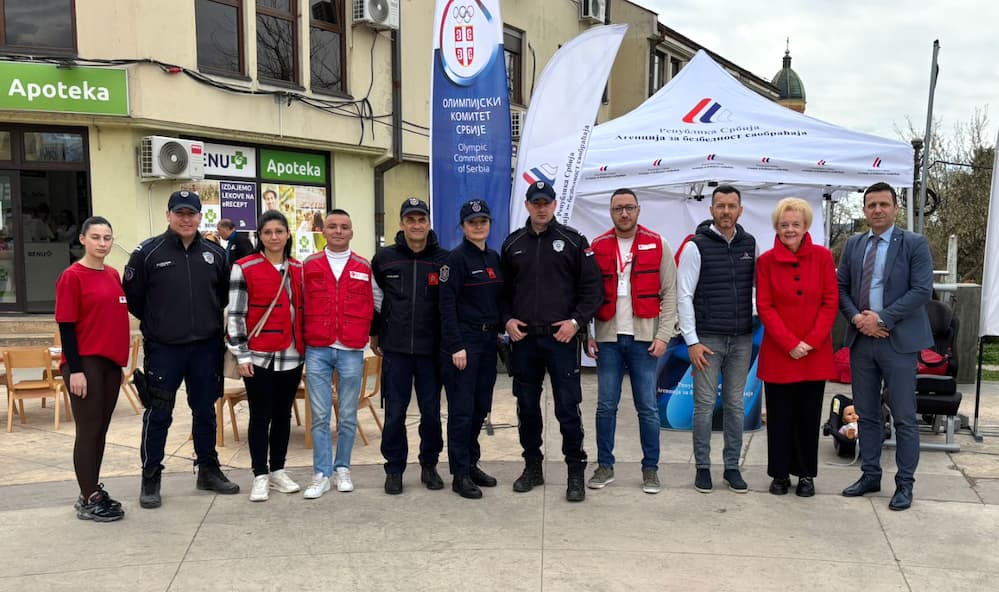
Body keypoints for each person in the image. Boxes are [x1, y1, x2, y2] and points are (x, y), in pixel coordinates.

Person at [123, 190, 239, 509]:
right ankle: (151, 476)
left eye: (191, 214)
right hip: (165, 349)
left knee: (205, 412)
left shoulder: (216, 254)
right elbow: (134, 299)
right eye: (180, 213)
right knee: (159, 413)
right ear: (168, 215)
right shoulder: (147, 253)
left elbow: (224, 296)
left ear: (200, 217)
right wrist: (161, 322)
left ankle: (208, 470)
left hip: (205, 349)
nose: (186, 219)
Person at [501, 181, 602, 502]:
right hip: (524, 341)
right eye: (536, 203)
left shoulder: (573, 241)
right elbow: (500, 292)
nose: (541, 208)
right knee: (527, 407)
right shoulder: (512, 244)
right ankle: (532, 467)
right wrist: (507, 320)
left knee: (567, 408)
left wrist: (576, 323)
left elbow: (593, 289)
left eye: (546, 203)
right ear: (528, 206)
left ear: (555, 205)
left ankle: (575, 472)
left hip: (561, 340)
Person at [837, 181, 933, 511]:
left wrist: (881, 319)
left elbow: (921, 290)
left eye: (884, 204)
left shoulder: (914, 244)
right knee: (866, 414)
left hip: (899, 342)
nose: (877, 210)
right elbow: (841, 287)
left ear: (895, 208)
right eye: (871, 205)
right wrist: (858, 319)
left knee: (904, 416)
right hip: (862, 340)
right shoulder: (853, 244)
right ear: (864, 210)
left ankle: (904, 484)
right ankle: (870, 475)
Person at [585, 188, 677, 494]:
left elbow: (670, 292)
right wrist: (588, 334)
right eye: (618, 209)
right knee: (605, 407)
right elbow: (586, 294)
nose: (624, 213)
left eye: (629, 208)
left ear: (638, 210)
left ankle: (651, 469)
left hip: (644, 340)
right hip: (608, 339)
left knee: (647, 408)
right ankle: (605, 465)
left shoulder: (658, 243)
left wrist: (664, 335)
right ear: (610, 212)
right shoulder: (597, 246)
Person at [756, 198, 838, 497]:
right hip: (780, 353)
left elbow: (830, 302)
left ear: (806, 227)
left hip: (814, 354)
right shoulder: (765, 261)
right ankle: (779, 474)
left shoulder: (823, 257)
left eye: (795, 224)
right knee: (779, 418)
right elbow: (765, 306)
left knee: (808, 417)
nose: (789, 229)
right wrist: (790, 343)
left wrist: (810, 342)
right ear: (776, 227)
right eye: (784, 224)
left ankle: (805, 474)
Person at [677, 184, 756, 494]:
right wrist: (692, 341)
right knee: (705, 406)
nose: (726, 211)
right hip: (707, 340)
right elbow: (684, 296)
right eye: (720, 206)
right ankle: (703, 467)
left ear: (740, 210)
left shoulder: (750, 244)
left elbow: (754, 289)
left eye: (731, 206)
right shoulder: (696, 246)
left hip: (741, 339)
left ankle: (732, 467)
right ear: (711, 210)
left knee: (735, 406)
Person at [55, 216, 131, 522]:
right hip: (84, 363)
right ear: (83, 239)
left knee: (101, 429)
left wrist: (118, 365)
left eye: (107, 238)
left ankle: (92, 488)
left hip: (110, 364)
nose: (102, 243)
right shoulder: (72, 276)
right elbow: (66, 325)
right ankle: (89, 497)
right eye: (96, 237)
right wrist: (75, 369)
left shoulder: (112, 274)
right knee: (88, 430)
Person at [370, 198, 448, 494]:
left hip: (431, 352)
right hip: (396, 350)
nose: (416, 225)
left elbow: (449, 304)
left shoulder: (443, 260)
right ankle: (394, 469)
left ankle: (429, 465)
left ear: (429, 223)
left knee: (431, 413)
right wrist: (375, 334)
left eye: (421, 219)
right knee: (395, 414)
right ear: (402, 224)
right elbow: (376, 301)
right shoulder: (384, 258)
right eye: (410, 219)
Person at [227, 210, 305, 502]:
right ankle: (260, 474)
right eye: (268, 232)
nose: (274, 237)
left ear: (287, 235)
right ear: (259, 236)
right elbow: (235, 314)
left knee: (283, 415)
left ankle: (278, 470)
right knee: (260, 415)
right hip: (258, 355)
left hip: (292, 354)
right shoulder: (244, 267)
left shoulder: (297, 268)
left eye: (279, 231)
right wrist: (241, 355)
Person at [301, 209, 375, 499]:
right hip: (317, 348)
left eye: (344, 227)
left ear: (351, 232)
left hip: (351, 349)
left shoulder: (364, 267)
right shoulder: (309, 265)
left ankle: (343, 468)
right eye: (332, 226)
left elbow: (375, 303)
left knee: (347, 415)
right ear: (324, 231)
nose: (338, 231)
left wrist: (373, 337)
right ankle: (321, 473)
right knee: (319, 416)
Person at [439, 199, 503, 499]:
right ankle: (460, 474)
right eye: (472, 222)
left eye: (483, 221)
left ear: (489, 224)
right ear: (463, 227)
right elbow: (446, 306)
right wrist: (456, 345)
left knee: (480, 407)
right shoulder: (454, 260)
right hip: (465, 343)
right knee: (462, 411)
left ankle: (472, 462)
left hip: (489, 343)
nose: (478, 226)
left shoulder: (493, 257)